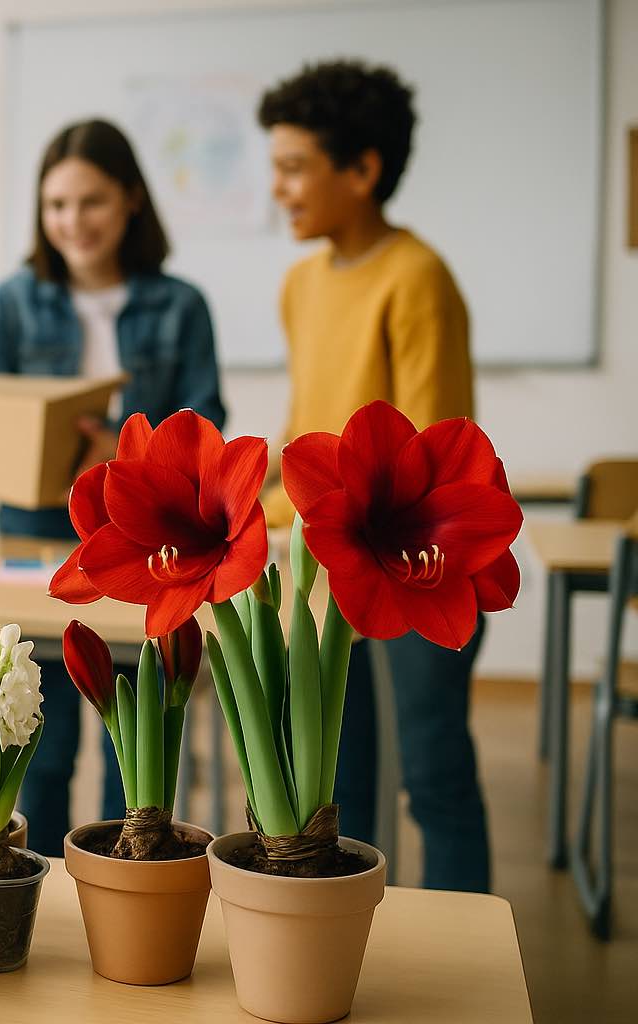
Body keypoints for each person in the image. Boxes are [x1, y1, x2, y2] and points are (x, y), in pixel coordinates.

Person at [258, 60, 488, 892]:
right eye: (274, 166)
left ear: (362, 170)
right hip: (330, 572)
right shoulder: (300, 283)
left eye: (293, 168)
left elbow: (435, 457)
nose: (278, 188)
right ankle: (342, 951)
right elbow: (301, 431)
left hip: (420, 575)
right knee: (333, 788)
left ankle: (469, 970)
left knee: (433, 778)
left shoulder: (416, 279)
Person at [0, 118, 226, 856]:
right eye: (56, 205)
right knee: (42, 746)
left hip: (151, 547)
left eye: (91, 203)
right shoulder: (12, 301)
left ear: (132, 202)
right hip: (31, 535)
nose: (72, 223)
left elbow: (206, 429)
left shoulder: (182, 304)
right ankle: (42, 891)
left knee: (137, 739)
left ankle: (130, 874)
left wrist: (115, 441)